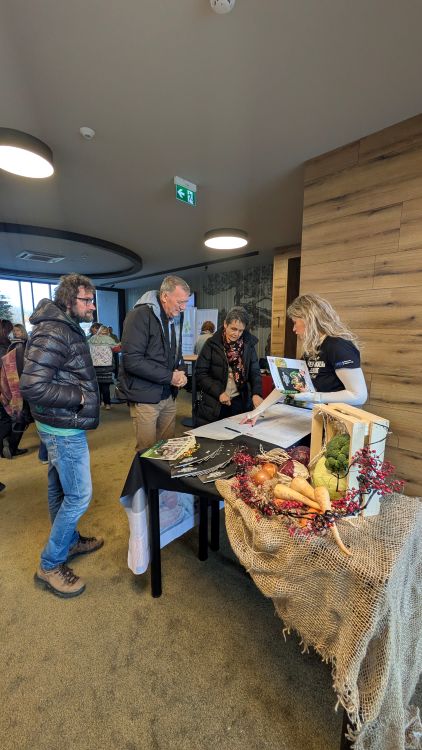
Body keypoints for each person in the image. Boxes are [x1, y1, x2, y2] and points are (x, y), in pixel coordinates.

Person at [20, 273, 103, 598]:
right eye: (87, 300)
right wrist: (78, 397)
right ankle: (50, 563)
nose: (92, 306)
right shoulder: (55, 330)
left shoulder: (62, 326)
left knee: (60, 489)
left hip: (58, 425)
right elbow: (31, 385)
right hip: (62, 429)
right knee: (79, 496)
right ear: (69, 300)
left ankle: (69, 542)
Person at [118, 275, 189, 452]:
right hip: (145, 397)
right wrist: (170, 377)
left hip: (168, 394)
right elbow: (132, 360)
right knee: (147, 451)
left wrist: (181, 371)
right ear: (165, 296)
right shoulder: (139, 315)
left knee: (167, 448)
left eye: (186, 302)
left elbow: (176, 353)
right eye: (180, 302)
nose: (183, 307)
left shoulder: (173, 317)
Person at [286, 293, 367, 405]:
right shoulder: (312, 348)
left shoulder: (338, 346)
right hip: (318, 411)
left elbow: (359, 396)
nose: (294, 329)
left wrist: (315, 397)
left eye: (295, 322)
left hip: (339, 413)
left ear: (308, 319)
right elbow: (292, 384)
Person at [195, 306, 263, 425]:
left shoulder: (248, 345)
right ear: (225, 324)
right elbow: (200, 374)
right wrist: (219, 392)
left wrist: (256, 393)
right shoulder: (211, 344)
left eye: (241, 330)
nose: (236, 334)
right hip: (215, 403)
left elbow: (255, 373)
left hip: (240, 402)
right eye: (233, 329)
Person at [0, 324, 31, 458]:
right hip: (20, 386)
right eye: (14, 331)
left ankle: (8, 445)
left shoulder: (11, 345)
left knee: (17, 417)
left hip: (12, 386)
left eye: (18, 330)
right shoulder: (20, 346)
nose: (16, 333)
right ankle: (11, 445)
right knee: (22, 418)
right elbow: (21, 368)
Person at [89, 324, 119, 409]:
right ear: (107, 331)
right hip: (106, 366)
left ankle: (98, 403)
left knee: (97, 387)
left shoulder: (92, 338)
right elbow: (116, 349)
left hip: (94, 366)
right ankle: (107, 404)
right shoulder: (108, 339)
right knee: (106, 386)